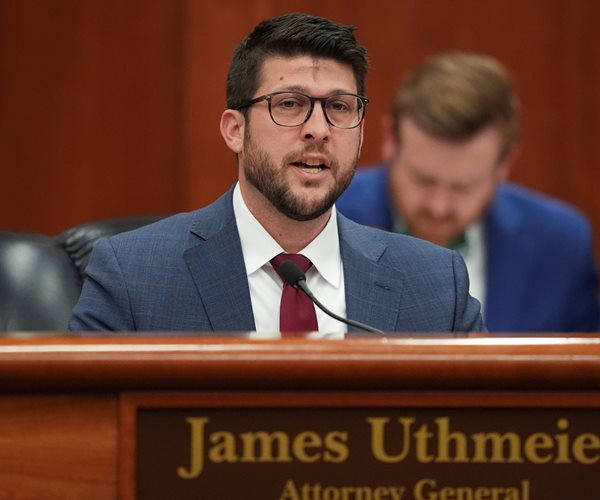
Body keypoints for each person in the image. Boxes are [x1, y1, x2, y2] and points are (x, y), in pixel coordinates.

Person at [69, 13, 483, 335]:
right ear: (235, 130)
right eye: (289, 104)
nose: (319, 129)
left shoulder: (434, 284)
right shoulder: (134, 276)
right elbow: (82, 418)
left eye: (339, 107)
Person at [336, 51, 600, 332]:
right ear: (390, 140)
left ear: (505, 164)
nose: (439, 207)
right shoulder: (327, 219)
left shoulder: (561, 244)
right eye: (423, 180)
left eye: (464, 187)